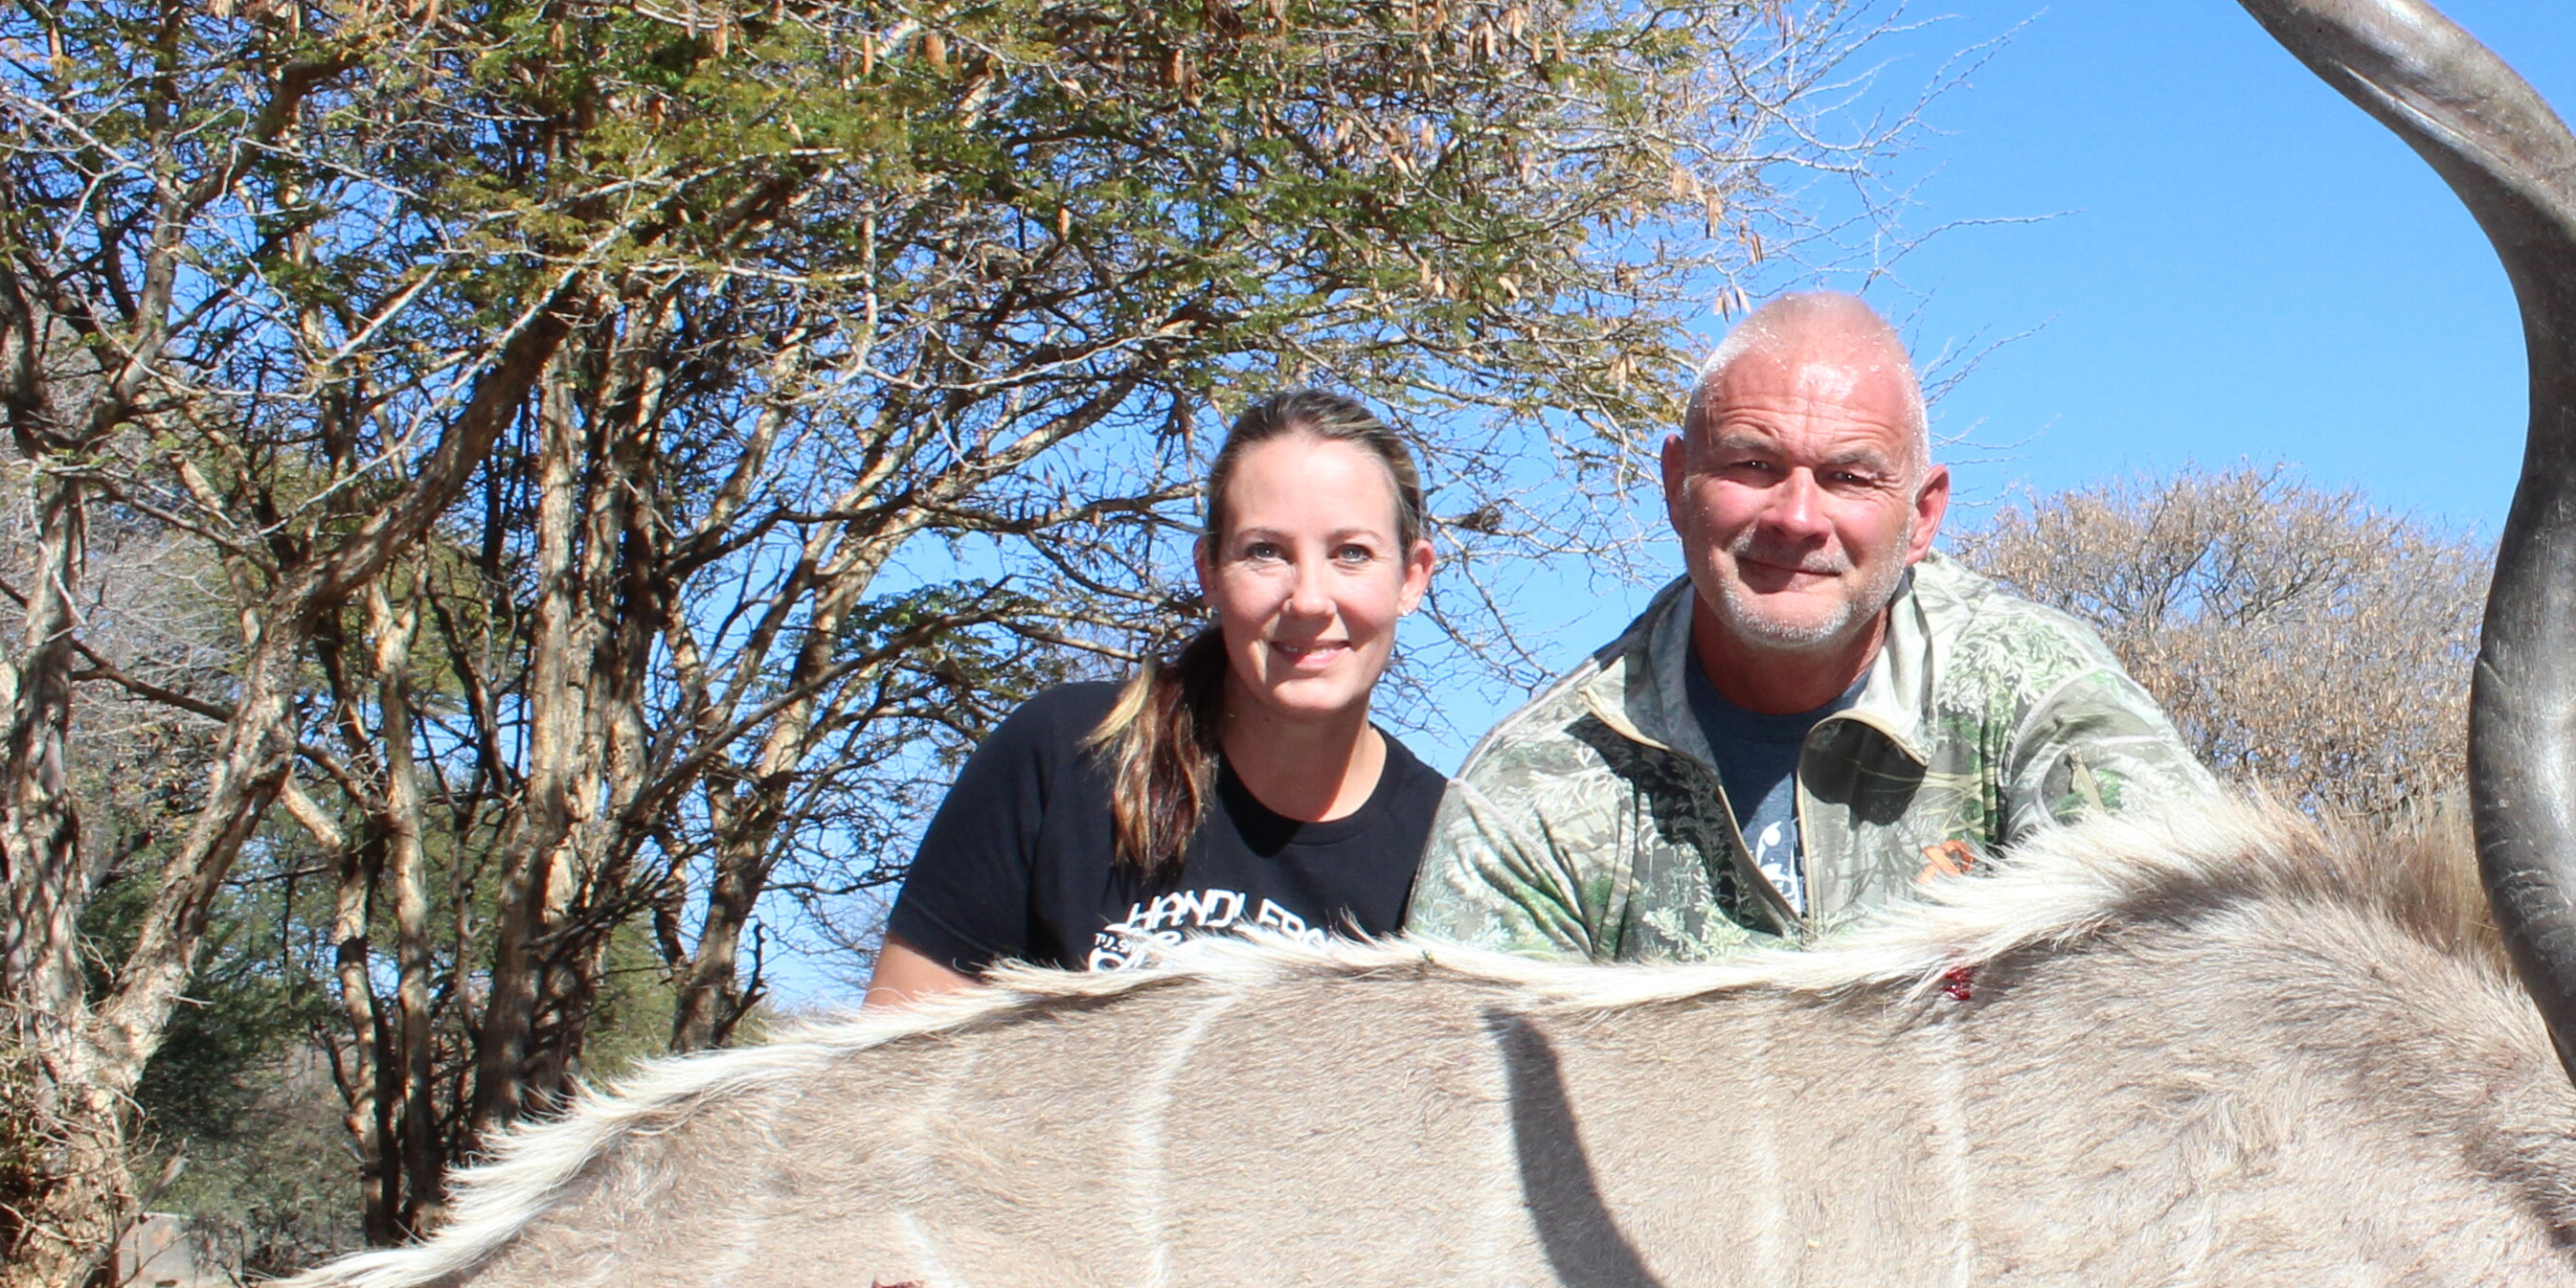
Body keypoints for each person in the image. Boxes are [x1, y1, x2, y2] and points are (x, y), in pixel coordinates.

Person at [1405, 292, 2208, 961]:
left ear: (1922, 516)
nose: (1796, 517)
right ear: (1678, 482)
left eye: (1848, 478)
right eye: (1753, 465)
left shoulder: (2041, 694)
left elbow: (2195, 967)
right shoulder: (1537, 787)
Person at [867, 388, 1447, 1001]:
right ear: (1209, 574)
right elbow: (896, 1066)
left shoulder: (1447, 848)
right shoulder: (1066, 752)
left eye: (1351, 553)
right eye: (1265, 553)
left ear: (1411, 578)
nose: (1307, 599)